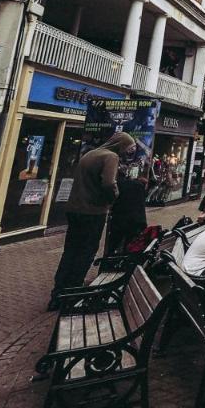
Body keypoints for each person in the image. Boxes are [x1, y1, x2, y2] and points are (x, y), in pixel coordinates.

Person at [49, 132, 138, 308]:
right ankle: (73, 292)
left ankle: (58, 292)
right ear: (120, 145)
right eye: (127, 148)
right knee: (86, 251)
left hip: (74, 209)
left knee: (70, 251)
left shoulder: (90, 154)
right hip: (93, 211)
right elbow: (108, 183)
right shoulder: (111, 157)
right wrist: (114, 198)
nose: (127, 152)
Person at [106, 151, 151, 256]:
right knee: (130, 248)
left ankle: (109, 263)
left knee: (113, 246)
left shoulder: (119, 186)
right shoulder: (138, 185)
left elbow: (113, 201)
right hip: (137, 222)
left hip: (120, 222)